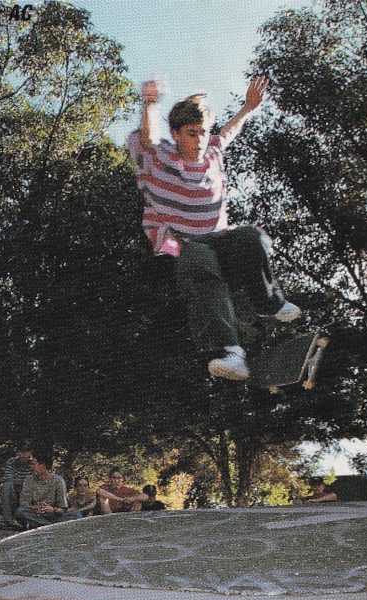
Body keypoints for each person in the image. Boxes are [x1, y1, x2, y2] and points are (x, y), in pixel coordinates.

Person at [127, 77, 301, 380]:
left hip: (218, 246)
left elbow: (229, 131)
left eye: (203, 133)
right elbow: (146, 137)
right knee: (196, 254)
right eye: (191, 134)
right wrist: (149, 105)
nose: (199, 141)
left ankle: (268, 302)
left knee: (251, 237)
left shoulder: (213, 152)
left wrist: (248, 107)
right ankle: (229, 352)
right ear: (176, 134)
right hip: (172, 250)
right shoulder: (157, 157)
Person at [16, 452, 80, 529]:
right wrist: (34, 507)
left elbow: (63, 508)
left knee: (77, 515)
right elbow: (23, 503)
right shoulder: (29, 480)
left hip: (54, 515)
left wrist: (52, 510)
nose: (32, 467)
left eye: (34, 464)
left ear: (43, 465)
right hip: (36, 514)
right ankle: (49, 526)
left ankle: (43, 525)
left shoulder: (58, 481)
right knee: (20, 512)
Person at [0, 443, 34, 528]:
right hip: (14, 489)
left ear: (30, 453)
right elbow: (8, 478)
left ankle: (26, 520)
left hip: (28, 490)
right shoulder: (11, 461)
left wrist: (21, 482)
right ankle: (7, 520)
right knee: (7, 486)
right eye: (20, 452)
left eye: (25, 452)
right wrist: (23, 481)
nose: (23, 455)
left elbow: (34, 481)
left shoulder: (34, 463)